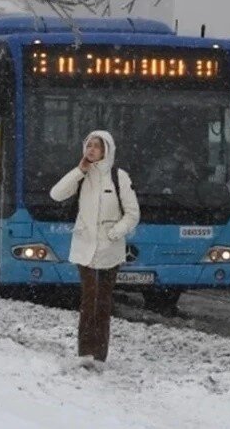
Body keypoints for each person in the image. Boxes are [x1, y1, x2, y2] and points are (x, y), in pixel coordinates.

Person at [50, 130, 139, 367]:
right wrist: (79, 170)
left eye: (96, 146)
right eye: (88, 145)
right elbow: (56, 194)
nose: (91, 150)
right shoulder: (82, 175)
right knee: (88, 299)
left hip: (110, 250)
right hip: (85, 248)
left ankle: (100, 355)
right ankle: (85, 353)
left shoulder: (119, 177)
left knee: (103, 301)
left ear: (106, 150)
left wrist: (114, 233)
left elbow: (132, 214)